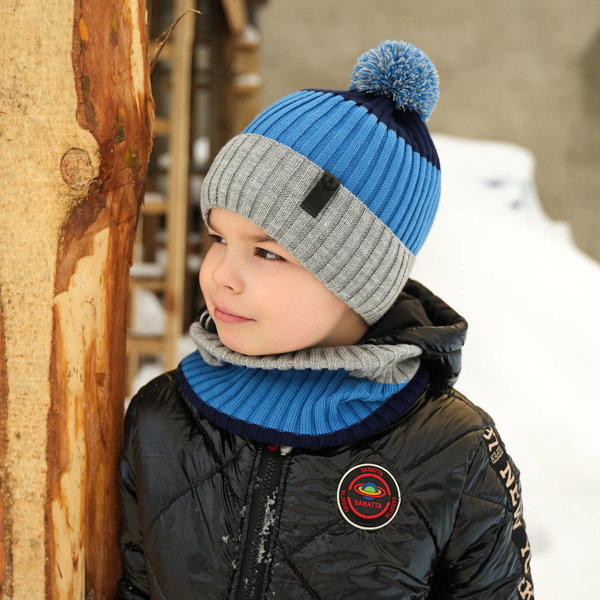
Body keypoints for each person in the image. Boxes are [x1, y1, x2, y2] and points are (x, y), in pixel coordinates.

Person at [118, 40, 534, 599]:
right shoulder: (160, 420)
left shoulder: (451, 451)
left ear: (357, 278)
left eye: (267, 252)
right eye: (219, 237)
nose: (221, 274)